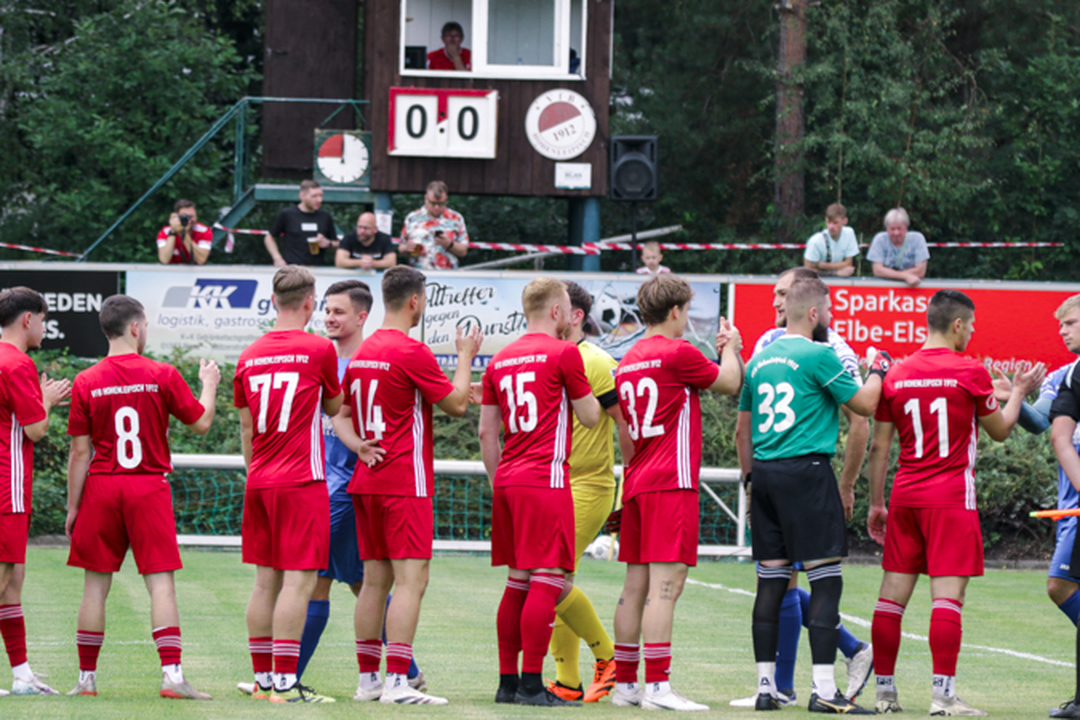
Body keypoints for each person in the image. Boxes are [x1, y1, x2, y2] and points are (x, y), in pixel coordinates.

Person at [866, 289, 1044, 716]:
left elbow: (879, 446)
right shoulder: (970, 372)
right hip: (950, 498)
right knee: (947, 598)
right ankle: (943, 698)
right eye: (973, 325)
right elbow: (1000, 431)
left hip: (905, 495)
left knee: (890, 598)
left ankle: (885, 695)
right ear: (958, 325)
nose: (973, 333)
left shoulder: (898, 373)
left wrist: (876, 502)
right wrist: (1018, 392)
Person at [739, 277, 886, 713]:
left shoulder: (760, 359)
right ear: (816, 314)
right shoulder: (820, 354)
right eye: (830, 312)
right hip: (806, 472)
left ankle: (766, 688)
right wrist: (879, 367)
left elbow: (741, 431)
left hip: (763, 476)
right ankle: (824, 691)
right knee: (825, 580)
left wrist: (749, 482)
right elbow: (863, 405)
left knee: (771, 584)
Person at [338, 265, 482, 705]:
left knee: (375, 581)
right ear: (415, 301)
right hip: (404, 481)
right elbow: (456, 405)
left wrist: (359, 446)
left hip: (368, 480)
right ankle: (399, 681)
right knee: (410, 581)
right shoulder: (411, 350)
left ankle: (369, 681)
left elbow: (341, 414)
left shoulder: (361, 353)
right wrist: (464, 356)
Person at [64, 295, 220, 700]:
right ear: (136, 327)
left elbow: (80, 453)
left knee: (94, 587)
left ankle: (86, 680)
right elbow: (201, 423)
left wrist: (73, 506)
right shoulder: (161, 373)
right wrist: (209, 385)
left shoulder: (85, 380)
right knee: (161, 584)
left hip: (101, 485)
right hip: (147, 486)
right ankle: (172, 677)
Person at [609, 274, 744, 712]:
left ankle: (626, 685)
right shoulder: (677, 352)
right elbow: (729, 383)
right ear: (675, 311)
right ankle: (658, 688)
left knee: (635, 585)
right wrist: (731, 346)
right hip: (671, 481)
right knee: (666, 584)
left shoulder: (628, 359)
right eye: (685, 311)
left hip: (638, 481)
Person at [479, 277, 602, 707]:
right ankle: (533, 684)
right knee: (547, 582)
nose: (571, 318)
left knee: (517, 583)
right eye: (568, 310)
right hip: (545, 480)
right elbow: (589, 417)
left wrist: (498, 481)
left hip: (509, 479)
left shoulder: (499, 358)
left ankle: (507, 683)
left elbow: (485, 432)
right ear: (556, 312)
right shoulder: (566, 352)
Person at [233, 265, 347, 703]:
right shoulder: (318, 349)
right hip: (302, 480)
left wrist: (255, 471)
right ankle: (285, 682)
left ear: (274, 301)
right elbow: (334, 404)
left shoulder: (249, 354)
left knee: (265, 583)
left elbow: (246, 428)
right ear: (308, 303)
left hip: (260, 479)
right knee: (299, 583)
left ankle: (263, 682)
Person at [546, 282, 634, 703]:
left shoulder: (598, 361)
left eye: (554, 308)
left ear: (575, 315)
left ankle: (609, 657)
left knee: (548, 576)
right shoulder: (545, 356)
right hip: (550, 484)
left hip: (588, 485)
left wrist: (628, 487)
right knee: (555, 580)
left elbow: (625, 424)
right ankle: (567, 681)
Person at [0, 287, 70, 697]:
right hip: (7, 485)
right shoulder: (18, 363)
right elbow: (35, 429)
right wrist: (46, 399)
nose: (44, 328)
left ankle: (23, 676)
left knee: (12, 584)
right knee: (4, 578)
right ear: (27, 320)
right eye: (42, 320)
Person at [1042, 296, 1080, 719]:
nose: (1062, 330)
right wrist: (1009, 399)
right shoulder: (1068, 376)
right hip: (1072, 498)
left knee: (1060, 584)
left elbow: (1057, 437)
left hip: (1077, 501)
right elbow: (1044, 425)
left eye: (1070, 323)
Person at [263, 180, 340, 267]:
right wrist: (277, 258)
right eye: (314, 196)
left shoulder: (325, 216)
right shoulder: (288, 214)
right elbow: (269, 238)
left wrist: (328, 243)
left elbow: (337, 243)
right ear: (302, 196)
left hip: (317, 270)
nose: (319, 200)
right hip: (292, 269)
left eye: (321, 196)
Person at [398, 181, 469, 271]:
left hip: (448, 274)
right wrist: (407, 248)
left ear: (446, 199)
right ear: (426, 198)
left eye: (441, 204)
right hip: (417, 274)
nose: (436, 207)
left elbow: (463, 251)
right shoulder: (412, 218)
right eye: (432, 203)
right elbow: (401, 248)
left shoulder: (456, 218)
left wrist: (449, 244)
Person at [866, 207, 929, 287]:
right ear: (887, 229)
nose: (896, 233)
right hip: (884, 288)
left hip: (912, 288)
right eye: (892, 229)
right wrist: (905, 276)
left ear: (906, 228)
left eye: (899, 229)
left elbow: (920, 271)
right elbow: (877, 270)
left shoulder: (918, 239)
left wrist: (890, 274)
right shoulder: (879, 239)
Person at [803, 203, 858, 277]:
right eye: (829, 222)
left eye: (835, 223)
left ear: (845, 221)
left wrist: (821, 265)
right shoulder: (815, 241)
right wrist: (837, 273)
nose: (831, 226)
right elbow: (808, 271)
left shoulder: (849, 233)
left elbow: (848, 264)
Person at [156, 199, 212, 265]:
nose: (189, 220)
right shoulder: (165, 232)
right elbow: (164, 260)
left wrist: (184, 233)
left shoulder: (204, 231)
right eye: (185, 217)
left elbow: (201, 260)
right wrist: (173, 232)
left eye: (191, 216)